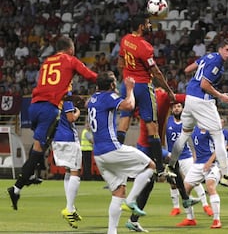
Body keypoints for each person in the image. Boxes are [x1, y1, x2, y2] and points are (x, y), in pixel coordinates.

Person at [7, 36, 97, 211]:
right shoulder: (70, 59)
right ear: (70, 49)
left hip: (34, 106)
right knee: (39, 149)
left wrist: (72, 97)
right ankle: (18, 186)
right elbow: (90, 76)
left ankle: (29, 177)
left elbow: (52, 88)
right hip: (49, 109)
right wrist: (105, 82)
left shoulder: (47, 62)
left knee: (40, 145)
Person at [87, 71, 155, 234]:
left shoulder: (92, 100)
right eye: (115, 83)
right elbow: (129, 106)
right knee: (150, 166)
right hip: (111, 148)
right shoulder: (107, 97)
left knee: (118, 192)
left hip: (99, 154)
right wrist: (130, 89)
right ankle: (131, 201)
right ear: (111, 86)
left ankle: (112, 231)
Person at [125, 89, 199, 232]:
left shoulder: (150, 96)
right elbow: (185, 98)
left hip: (150, 146)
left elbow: (131, 108)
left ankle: (184, 199)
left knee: (170, 164)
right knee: (149, 184)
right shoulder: (160, 96)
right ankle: (130, 211)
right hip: (147, 148)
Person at [167, 38, 228, 185]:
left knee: (185, 133)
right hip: (202, 101)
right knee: (218, 135)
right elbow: (205, 84)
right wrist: (221, 96)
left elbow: (187, 69)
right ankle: (225, 174)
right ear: (221, 49)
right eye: (227, 50)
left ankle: (171, 165)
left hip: (190, 98)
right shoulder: (217, 61)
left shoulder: (208, 56)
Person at [116, 13, 175, 178]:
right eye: (148, 23)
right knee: (152, 127)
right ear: (142, 26)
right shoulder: (145, 46)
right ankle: (160, 168)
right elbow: (155, 72)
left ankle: (116, 165)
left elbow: (120, 62)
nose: (150, 26)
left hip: (127, 84)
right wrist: (169, 91)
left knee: (123, 122)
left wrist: (126, 81)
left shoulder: (125, 40)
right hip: (143, 86)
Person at [166, 102, 213, 217]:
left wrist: (194, 154)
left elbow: (192, 140)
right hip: (172, 157)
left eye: (178, 106)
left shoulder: (188, 122)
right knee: (172, 182)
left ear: (182, 109)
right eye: (174, 107)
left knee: (194, 181)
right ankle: (176, 207)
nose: (176, 109)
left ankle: (205, 205)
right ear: (171, 110)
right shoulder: (168, 121)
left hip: (186, 156)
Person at [176, 125, 223, 229]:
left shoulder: (211, 130)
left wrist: (209, 162)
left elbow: (219, 147)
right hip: (197, 165)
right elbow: (193, 145)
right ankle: (190, 218)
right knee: (184, 190)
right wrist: (194, 157)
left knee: (210, 186)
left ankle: (216, 220)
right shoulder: (194, 129)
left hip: (212, 164)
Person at [51, 93, 82, 228]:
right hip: (68, 140)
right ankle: (69, 209)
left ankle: (72, 207)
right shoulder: (66, 100)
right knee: (76, 172)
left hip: (57, 138)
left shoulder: (54, 100)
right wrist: (78, 112)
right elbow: (71, 118)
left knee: (68, 171)